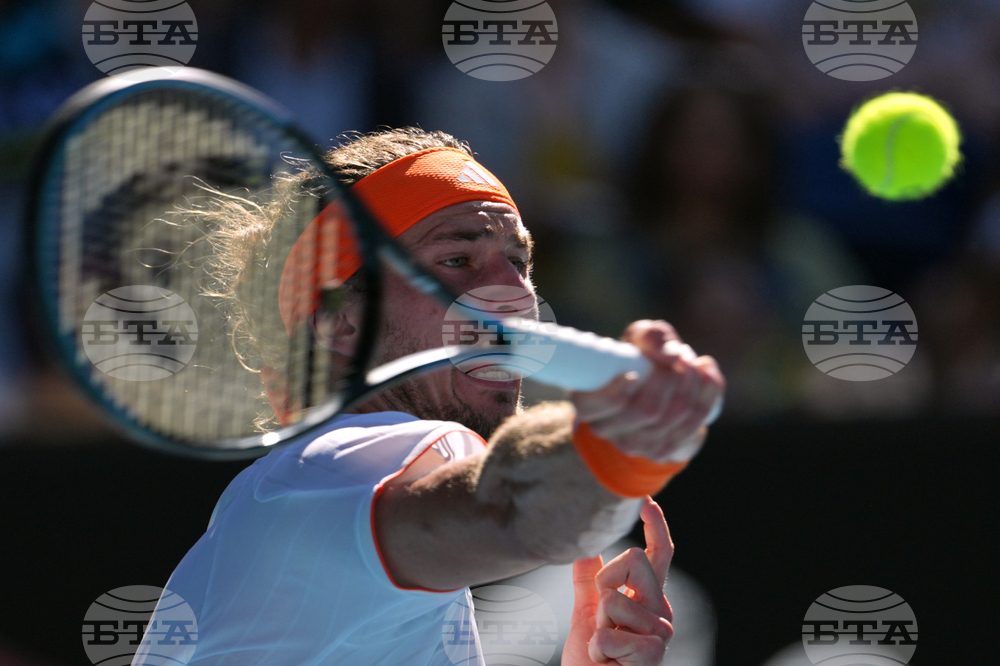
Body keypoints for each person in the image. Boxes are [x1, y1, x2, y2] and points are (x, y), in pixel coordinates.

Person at [135, 128, 725, 666]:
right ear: (342, 319)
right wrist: (621, 441)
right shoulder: (332, 467)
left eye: (519, 262)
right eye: (457, 260)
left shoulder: (316, 500)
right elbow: (513, 510)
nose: (515, 296)